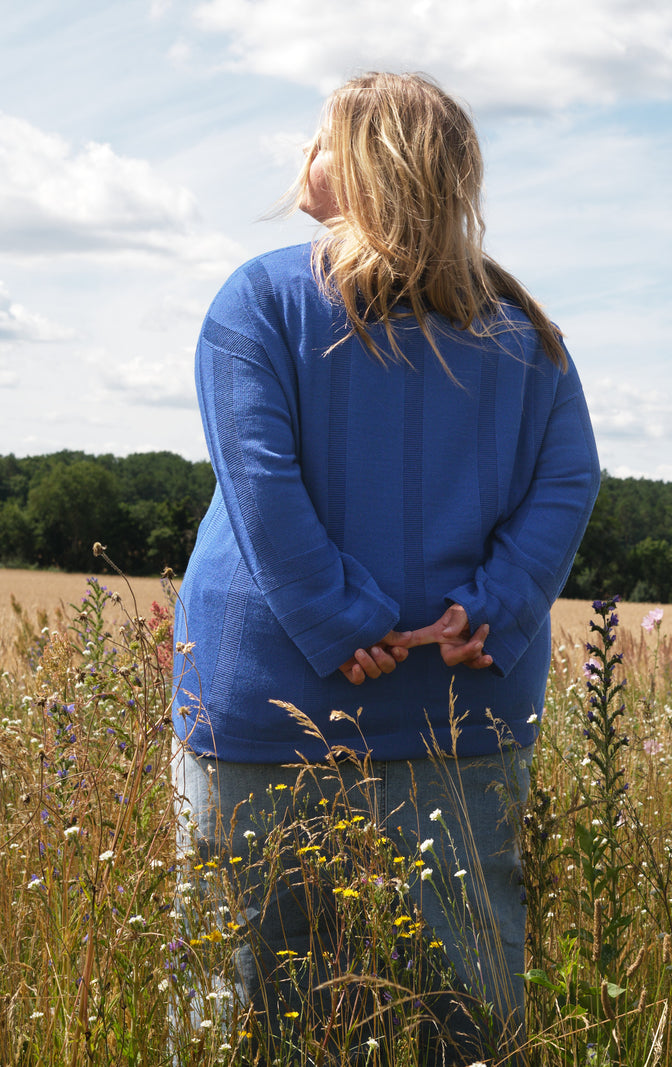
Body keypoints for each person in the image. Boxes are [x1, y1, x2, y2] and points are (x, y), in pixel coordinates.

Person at [172, 71, 600, 1063]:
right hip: (464, 700)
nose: (302, 163)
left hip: (270, 698)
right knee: (466, 1000)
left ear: (363, 164)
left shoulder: (260, 298)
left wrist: (339, 622)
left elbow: (260, 483)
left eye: (318, 141)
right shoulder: (522, 326)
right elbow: (566, 481)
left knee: (249, 1003)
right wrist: (487, 609)